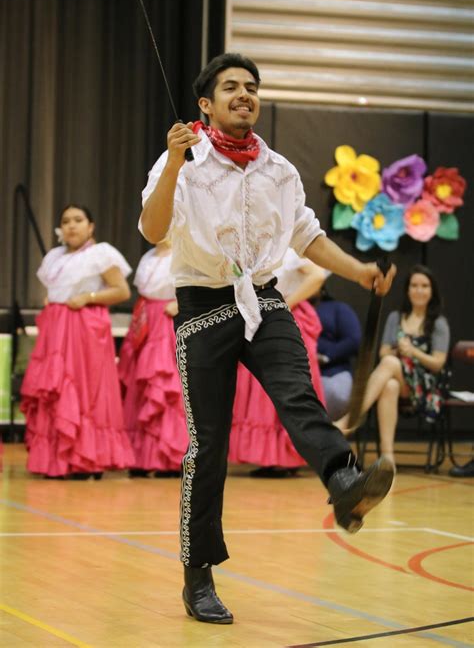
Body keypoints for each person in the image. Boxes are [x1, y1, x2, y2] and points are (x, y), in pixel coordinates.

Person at [139, 53, 396, 624]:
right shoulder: (180, 159)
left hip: (265, 298)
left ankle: (344, 481)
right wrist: (177, 164)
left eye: (251, 87)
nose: (244, 94)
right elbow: (153, 229)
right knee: (208, 448)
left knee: (296, 394)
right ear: (206, 104)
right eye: (230, 87)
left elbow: (307, 236)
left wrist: (358, 270)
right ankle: (198, 577)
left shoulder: (278, 168)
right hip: (204, 307)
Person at [21, 205, 135, 479]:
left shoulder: (100, 253)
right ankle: (57, 459)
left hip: (85, 326)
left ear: (90, 226)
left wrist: (88, 298)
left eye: (78, 220)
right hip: (57, 327)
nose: (71, 225)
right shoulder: (55, 256)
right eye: (66, 221)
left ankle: (86, 458)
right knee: (55, 386)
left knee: (84, 387)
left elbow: (121, 291)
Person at [229, 248, 327, 475]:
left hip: (284, 318)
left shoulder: (288, 250)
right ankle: (272, 458)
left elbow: (317, 276)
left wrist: (286, 302)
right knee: (261, 391)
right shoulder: (255, 251)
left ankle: (287, 458)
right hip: (259, 318)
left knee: (286, 385)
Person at [358, 264, 450, 467]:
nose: (419, 290)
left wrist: (413, 352)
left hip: (427, 385)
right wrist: (399, 351)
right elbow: (383, 351)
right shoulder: (395, 318)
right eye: (414, 285)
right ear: (407, 290)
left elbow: (438, 363)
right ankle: (387, 456)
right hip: (401, 380)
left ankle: (355, 415)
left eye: (424, 286)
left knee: (391, 362)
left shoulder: (438, 323)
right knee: (390, 385)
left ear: (431, 290)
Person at [118, 239, 188, 477]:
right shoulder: (148, 257)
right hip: (146, 319)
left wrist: (182, 304)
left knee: (165, 384)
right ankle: (140, 457)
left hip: (168, 322)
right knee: (142, 387)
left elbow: (202, 286)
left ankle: (168, 456)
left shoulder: (185, 251)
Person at [314, 287, 362, 425]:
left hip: (332, 371)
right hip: (296, 372)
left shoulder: (337, 308)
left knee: (334, 393)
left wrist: (324, 357)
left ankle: (323, 437)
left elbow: (354, 340)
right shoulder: (289, 307)